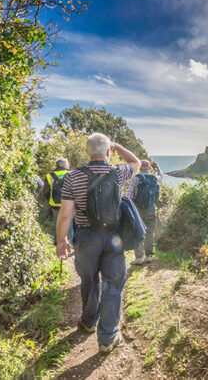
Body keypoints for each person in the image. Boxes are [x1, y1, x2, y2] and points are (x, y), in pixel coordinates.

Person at [55, 133, 140, 355]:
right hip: (113, 238)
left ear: (87, 152)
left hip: (86, 237)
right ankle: (108, 337)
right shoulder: (119, 172)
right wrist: (118, 145)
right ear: (108, 152)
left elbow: (65, 215)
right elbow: (136, 163)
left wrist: (61, 241)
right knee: (113, 284)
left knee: (89, 281)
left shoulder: (73, 177)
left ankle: (89, 322)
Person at [125, 160, 162, 265]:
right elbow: (161, 176)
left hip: (137, 209)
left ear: (140, 168)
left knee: (137, 231)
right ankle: (149, 256)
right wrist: (157, 167)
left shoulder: (136, 178)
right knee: (150, 231)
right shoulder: (154, 178)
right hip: (150, 208)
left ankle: (139, 257)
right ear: (149, 168)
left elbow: (128, 195)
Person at [40, 158, 72, 244]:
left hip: (55, 204)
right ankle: (70, 242)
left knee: (57, 222)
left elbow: (45, 192)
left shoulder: (49, 176)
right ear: (64, 165)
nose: (68, 165)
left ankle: (57, 242)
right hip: (69, 203)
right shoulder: (71, 174)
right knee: (70, 222)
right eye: (67, 163)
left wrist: (49, 200)